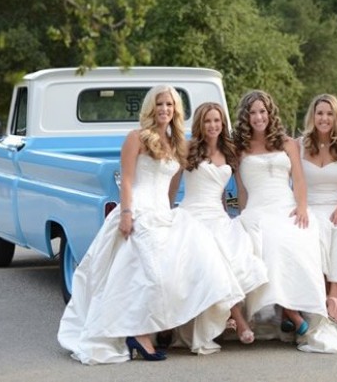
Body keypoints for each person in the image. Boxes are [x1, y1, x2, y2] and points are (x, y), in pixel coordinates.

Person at [57, 85, 243, 364]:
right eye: (160, 104)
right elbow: (128, 180)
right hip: (140, 211)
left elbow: (172, 186)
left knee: (180, 269)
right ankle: (139, 333)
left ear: (176, 110)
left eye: (169, 104)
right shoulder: (137, 138)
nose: (165, 109)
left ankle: (164, 328)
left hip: (163, 213)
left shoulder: (175, 142)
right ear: (151, 108)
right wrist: (127, 213)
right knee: (150, 275)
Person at [233, 89, 337, 353]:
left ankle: (293, 311)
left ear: (270, 113)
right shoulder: (240, 149)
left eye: (262, 111)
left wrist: (303, 207)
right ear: (246, 117)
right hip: (258, 210)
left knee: (297, 240)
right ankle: (292, 314)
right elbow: (242, 190)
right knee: (268, 243)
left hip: (287, 207)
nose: (258, 117)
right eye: (252, 113)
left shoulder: (287, 143)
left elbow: (299, 180)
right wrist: (242, 214)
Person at [172, 102, 269, 345]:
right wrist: (164, 212)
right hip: (192, 215)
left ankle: (229, 315)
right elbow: (172, 186)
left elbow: (236, 190)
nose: (212, 125)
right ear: (200, 124)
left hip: (217, 214)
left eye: (216, 120)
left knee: (236, 252)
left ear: (222, 123)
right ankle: (239, 321)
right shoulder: (188, 147)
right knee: (213, 256)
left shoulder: (230, 151)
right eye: (207, 121)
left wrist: (242, 213)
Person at [296, 94, 337, 323]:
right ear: (313, 116)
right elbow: (295, 182)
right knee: (312, 231)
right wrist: (302, 207)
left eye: (330, 114)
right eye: (320, 113)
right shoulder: (300, 145)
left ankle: (334, 295)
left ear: (336, 117)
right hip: (309, 205)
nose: (324, 118)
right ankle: (319, 292)